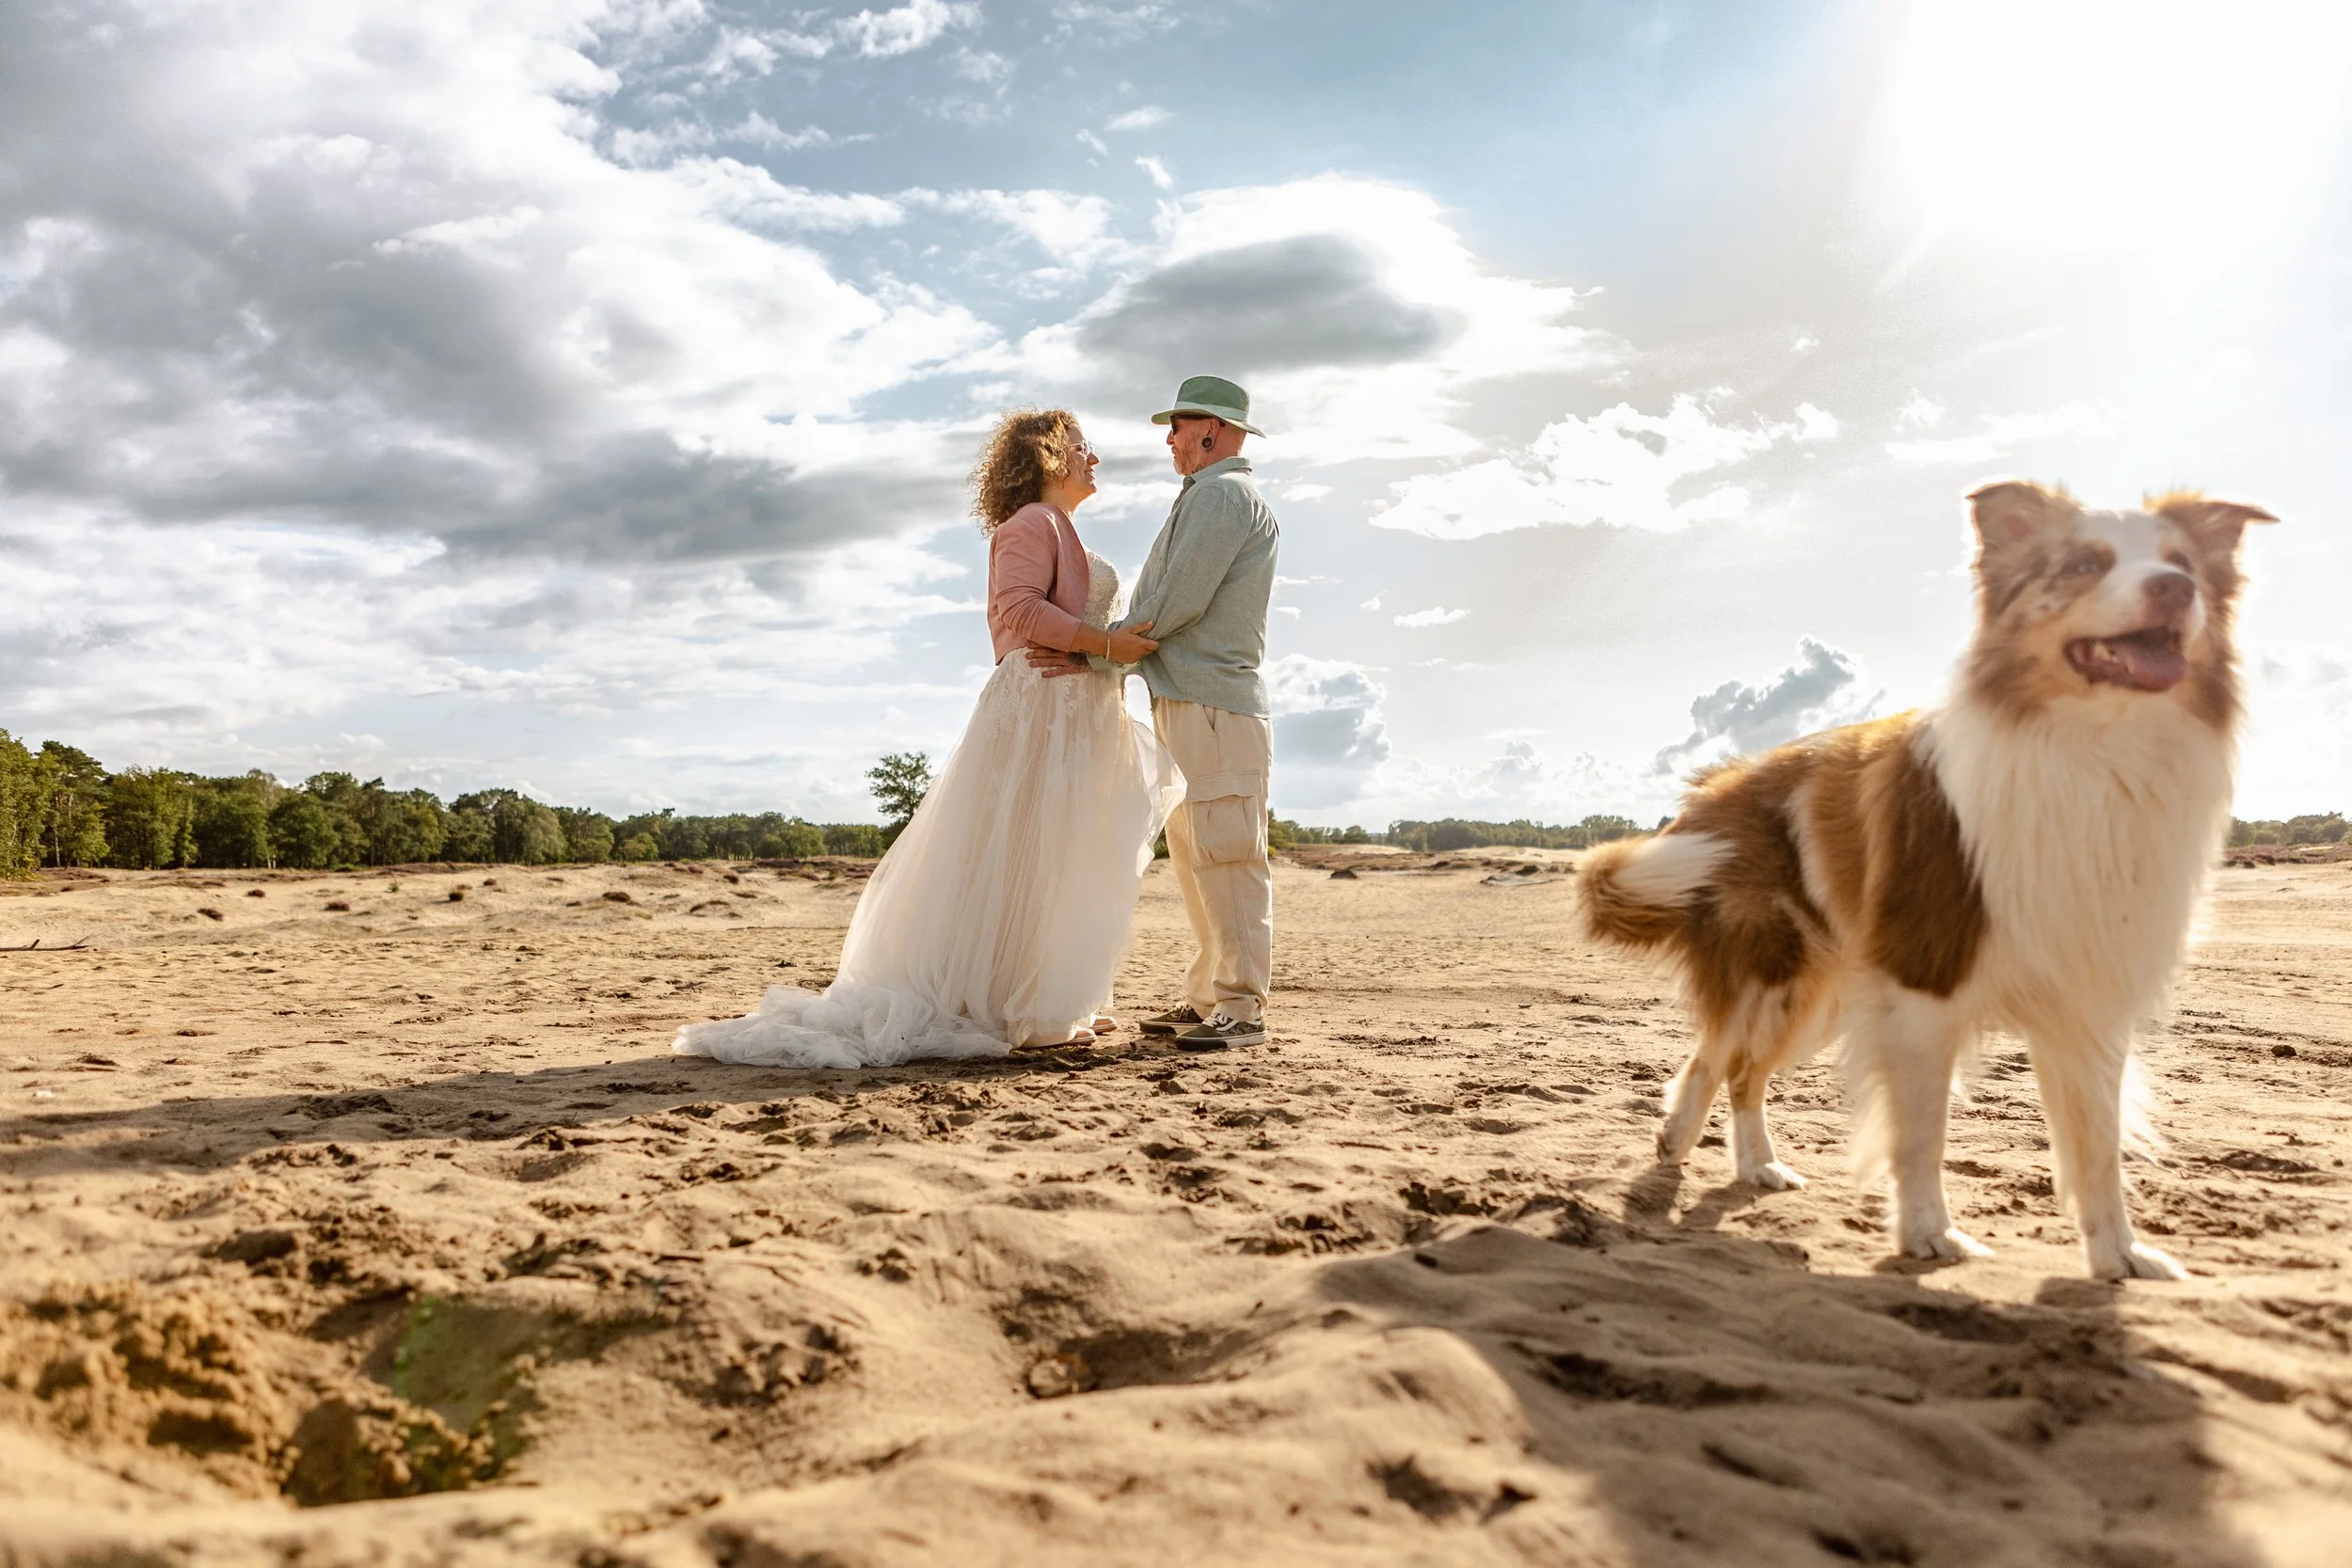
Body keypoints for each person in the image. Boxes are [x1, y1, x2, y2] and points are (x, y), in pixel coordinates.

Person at [674, 410, 1182, 1068]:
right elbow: (1022, 611)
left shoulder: (1060, 528)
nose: (1096, 458)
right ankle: (1027, 1007)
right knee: (1028, 850)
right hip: (1038, 713)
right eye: (1084, 447)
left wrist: (1103, 659)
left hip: (1073, 712)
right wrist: (1106, 643)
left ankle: (1054, 998)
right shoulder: (1029, 523)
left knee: (1062, 854)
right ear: (1051, 457)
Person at [1033, 375, 1279, 1051]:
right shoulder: (1208, 496)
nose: (1168, 439)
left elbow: (1177, 602)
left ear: (1212, 429)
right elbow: (1169, 597)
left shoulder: (1225, 495)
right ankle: (1210, 999)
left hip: (1215, 707)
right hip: (1189, 702)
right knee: (1200, 856)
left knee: (1227, 855)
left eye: (1176, 426)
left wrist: (1097, 656)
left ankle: (1240, 1008)